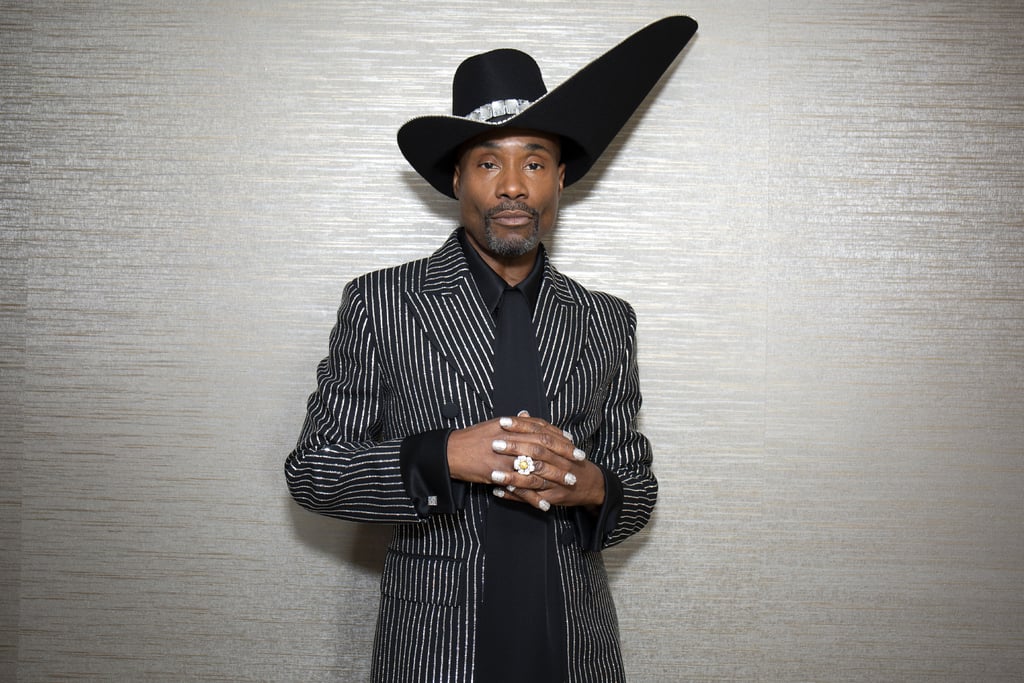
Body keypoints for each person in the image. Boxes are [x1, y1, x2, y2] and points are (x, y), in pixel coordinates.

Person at [285, 16, 697, 683]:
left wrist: (589, 485)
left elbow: (638, 488)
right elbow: (314, 470)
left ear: (559, 178)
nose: (512, 185)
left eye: (533, 162)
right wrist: (443, 455)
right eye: (488, 163)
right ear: (458, 180)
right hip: (436, 650)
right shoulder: (381, 303)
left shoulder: (607, 321)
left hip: (575, 649)